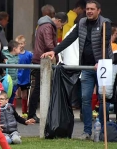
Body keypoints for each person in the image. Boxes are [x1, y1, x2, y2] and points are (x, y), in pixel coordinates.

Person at [41, 0, 113, 140]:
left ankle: (103, 130)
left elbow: (105, 43)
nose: (89, 11)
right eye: (87, 9)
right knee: (85, 99)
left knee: (104, 98)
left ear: (99, 10)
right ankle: (87, 131)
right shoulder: (81, 23)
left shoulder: (105, 23)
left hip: (103, 66)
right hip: (86, 67)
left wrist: (101, 61)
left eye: (92, 9)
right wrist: (54, 51)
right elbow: (70, 39)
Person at [29, 11, 68, 123]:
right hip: (43, 59)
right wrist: (55, 53)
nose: (61, 28)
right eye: (62, 25)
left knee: (38, 87)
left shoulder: (43, 24)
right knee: (38, 88)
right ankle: (32, 114)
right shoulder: (48, 26)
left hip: (39, 58)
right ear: (59, 21)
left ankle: (33, 113)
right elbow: (49, 44)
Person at [15, 35, 33, 118]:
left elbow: (33, 61)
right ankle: (13, 111)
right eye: (18, 44)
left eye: (22, 43)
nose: (20, 45)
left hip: (25, 78)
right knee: (14, 94)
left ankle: (24, 111)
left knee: (24, 95)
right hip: (16, 77)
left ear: (24, 44)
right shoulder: (14, 54)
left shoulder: (29, 54)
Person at [2, 40, 21, 105]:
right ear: (14, 49)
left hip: (14, 82)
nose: (20, 50)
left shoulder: (17, 57)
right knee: (6, 97)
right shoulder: (5, 57)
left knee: (12, 98)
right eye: (19, 48)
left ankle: (10, 110)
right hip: (7, 82)